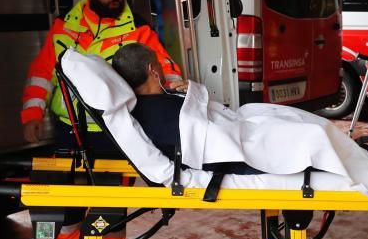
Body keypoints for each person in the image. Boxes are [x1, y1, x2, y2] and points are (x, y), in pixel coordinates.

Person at [18, 0, 184, 239]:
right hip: (70, 132)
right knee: (65, 211)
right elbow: (42, 73)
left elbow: (161, 64)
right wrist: (31, 113)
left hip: (114, 133)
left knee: (109, 212)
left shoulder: (136, 29)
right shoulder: (64, 29)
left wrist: (172, 82)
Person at [111, 44, 261, 175]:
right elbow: (212, 144)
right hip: (238, 153)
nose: (162, 67)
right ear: (152, 70)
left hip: (238, 133)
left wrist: (192, 92)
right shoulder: (160, 112)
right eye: (158, 63)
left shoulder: (151, 104)